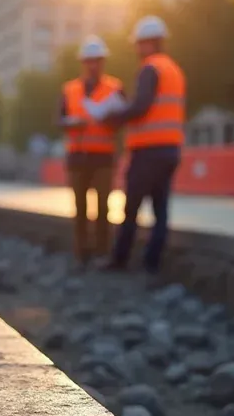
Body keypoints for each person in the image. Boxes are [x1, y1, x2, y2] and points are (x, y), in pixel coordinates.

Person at [84, 15, 185, 274]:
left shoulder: (150, 68)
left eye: (138, 44)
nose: (136, 49)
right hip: (171, 149)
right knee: (161, 208)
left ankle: (119, 259)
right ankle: (152, 262)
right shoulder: (173, 69)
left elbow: (141, 106)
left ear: (147, 43)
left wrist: (114, 116)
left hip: (148, 151)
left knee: (131, 208)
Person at [59, 36, 124, 265]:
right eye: (89, 61)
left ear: (103, 62)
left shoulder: (114, 88)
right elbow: (59, 119)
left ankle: (102, 251)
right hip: (77, 157)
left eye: (97, 61)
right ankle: (81, 252)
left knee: (103, 207)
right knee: (80, 208)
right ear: (83, 63)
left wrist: (109, 119)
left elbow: (122, 118)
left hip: (103, 156)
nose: (93, 65)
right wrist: (71, 123)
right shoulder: (70, 89)